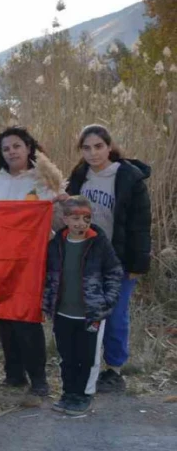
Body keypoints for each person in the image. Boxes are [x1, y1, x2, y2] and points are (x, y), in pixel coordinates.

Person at [0, 125, 61, 401]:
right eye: (6, 148)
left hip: (31, 262)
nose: (12, 151)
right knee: (5, 318)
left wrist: (61, 202)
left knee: (26, 318)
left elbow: (58, 221)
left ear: (28, 148)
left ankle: (38, 379)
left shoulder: (43, 180)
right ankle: (13, 374)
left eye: (16, 146)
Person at [65, 124, 151, 393]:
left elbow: (140, 224)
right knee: (87, 315)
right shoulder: (80, 176)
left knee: (115, 315)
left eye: (98, 146)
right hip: (87, 258)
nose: (93, 153)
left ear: (109, 146)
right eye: (86, 148)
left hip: (118, 260)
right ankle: (87, 364)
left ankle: (114, 370)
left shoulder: (128, 177)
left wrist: (137, 265)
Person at [42, 197, 123, 415]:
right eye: (75, 218)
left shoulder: (99, 244)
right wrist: (47, 301)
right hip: (62, 313)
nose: (80, 223)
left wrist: (107, 300)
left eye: (86, 218)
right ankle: (69, 392)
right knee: (67, 356)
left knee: (87, 356)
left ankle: (84, 395)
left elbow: (114, 272)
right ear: (65, 218)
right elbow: (47, 275)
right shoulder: (55, 245)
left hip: (90, 313)